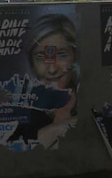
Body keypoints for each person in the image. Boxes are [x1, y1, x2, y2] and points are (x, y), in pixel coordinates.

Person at [10, 13, 78, 149]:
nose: (52, 69)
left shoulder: (94, 101)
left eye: (62, 54)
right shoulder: (21, 116)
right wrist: (61, 126)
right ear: (32, 65)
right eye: (40, 57)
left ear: (75, 57)